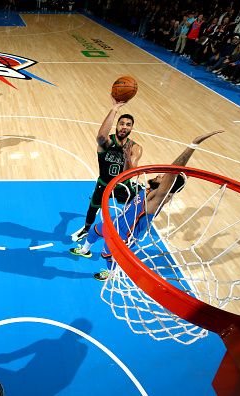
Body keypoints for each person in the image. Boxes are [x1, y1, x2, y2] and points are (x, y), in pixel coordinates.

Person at [70, 130, 224, 280]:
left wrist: (193, 144)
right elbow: (176, 178)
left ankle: (111, 274)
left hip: (125, 234)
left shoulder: (156, 199)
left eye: (163, 177)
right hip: (118, 221)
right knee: (95, 231)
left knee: (108, 257)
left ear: (168, 185)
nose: (159, 174)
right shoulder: (150, 189)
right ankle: (85, 250)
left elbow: (172, 173)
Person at [71, 96, 143, 243]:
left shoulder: (136, 148)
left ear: (132, 128)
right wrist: (114, 109)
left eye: (128, 125)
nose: (124, 127)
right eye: (121, 123)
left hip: (123, 186)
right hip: (104, 184)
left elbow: (130, 173)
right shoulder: (107, 142)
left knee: (138, 205)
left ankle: (131, 232)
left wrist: (127, 157)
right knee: (92, 208)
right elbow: (100, 137)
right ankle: (86, 229)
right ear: (116, 125)